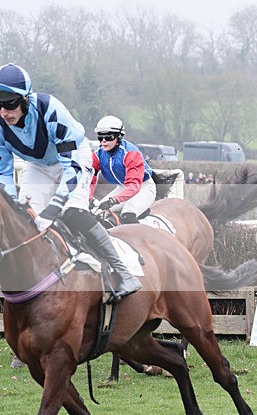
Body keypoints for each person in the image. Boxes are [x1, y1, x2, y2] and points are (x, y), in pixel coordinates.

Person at [0, 63, 141, 299]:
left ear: (26, 99)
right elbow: (3, 173)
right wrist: (14, 205)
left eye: (10, 103)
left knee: (72, 211)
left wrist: (54, 208)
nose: (4, 112)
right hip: (38, 165)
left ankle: (123, 271)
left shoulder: (50, 110)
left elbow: (71, 168)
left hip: (73, 158)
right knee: (25, 219)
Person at [90, 115, 156, 224]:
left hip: (143, 188)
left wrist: (114, 200)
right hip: (122, 188)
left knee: (128, 214)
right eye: (100, 137)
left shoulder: (131, 153)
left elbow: (134, 186)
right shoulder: (98, 154)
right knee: (95, 213)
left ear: (119, 137)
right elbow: (90, 178)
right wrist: (89, 198)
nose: (104, 141)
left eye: (109, 137)